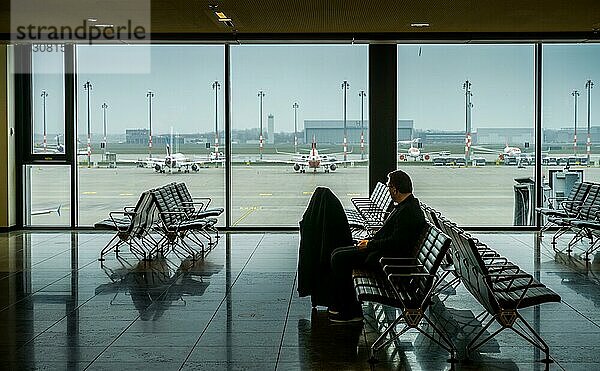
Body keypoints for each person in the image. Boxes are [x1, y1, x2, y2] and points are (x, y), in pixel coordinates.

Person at [329, 169, 426, 323]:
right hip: (384, 254)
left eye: (389, 187)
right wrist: (369, 241)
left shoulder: (408, 212)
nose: (388, 191)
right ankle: (341, 304)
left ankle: (350, 311)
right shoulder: (406, 206)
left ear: (395, 188)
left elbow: (395, 243)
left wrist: (370, 244)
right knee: (337, 253)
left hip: (387, 262)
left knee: (339, 258)